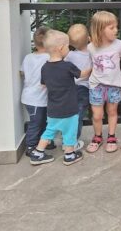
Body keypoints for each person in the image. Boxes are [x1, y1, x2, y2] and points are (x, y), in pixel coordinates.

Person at [29, 30, 91, 166]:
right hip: (69, 108)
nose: (69, 49)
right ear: (61, 48)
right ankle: (69, 155)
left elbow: (44, 84)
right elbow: (81, 74)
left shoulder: (45, 68)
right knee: (70, 132)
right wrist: (91, 68)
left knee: (49, 131)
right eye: (68, 46)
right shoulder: (67, 66)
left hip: (53, 109)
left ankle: (38, 153)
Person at [86, 11, 121, 153]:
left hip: (114, 85)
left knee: (112, 112)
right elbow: (88, 64)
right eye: (111, 28)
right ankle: (97, 137)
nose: (116, 30)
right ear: (100, 29)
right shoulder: (91, 47)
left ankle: (111, 136)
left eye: (116, 27)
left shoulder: (119, 44)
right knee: (97, 115)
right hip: (96, 85)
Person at [20, 26, 56, 156]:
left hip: (31, 96)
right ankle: (30, 146)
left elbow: (21, 72)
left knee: (43, 120)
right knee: (36, 122)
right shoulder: (49, 58)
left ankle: (44, 141)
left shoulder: (28, 57)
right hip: (36, 99)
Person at [65, 23, 92, 151]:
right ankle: (73, 142)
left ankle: (66, 140)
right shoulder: (92, 53)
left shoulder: (70, 55)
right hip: (84, 89)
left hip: (70, 88)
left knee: (69, 115)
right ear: (88, 38)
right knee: (78, 116)